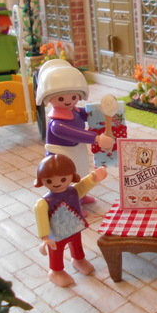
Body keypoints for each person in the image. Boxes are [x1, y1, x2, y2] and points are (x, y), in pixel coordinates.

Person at [35, 59, 114, 205]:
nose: (68, 101)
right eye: (61, 98)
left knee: (80, 172)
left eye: (73, 97)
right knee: (65, 178)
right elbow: (74, 133)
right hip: (60, 155)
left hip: (76, 150)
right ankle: (69, 203)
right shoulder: (56, 123)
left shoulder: (74, 110)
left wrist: (100, 111)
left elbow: (87, 114)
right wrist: (96, 138)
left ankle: (80, 195)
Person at [34, 154, 107, 287]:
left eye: (63, 179)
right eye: (49, 181)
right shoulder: (43, 202)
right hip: (56, 234)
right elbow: (41, 219)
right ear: (41, 180)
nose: (57, 183)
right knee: (56, 252)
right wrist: (45, 237)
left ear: (71, 176)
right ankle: (56, 271)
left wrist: (94, 177)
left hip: (74, 227)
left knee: (77, 245)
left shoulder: (73, 191)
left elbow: (83, 185)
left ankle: (79, 260)